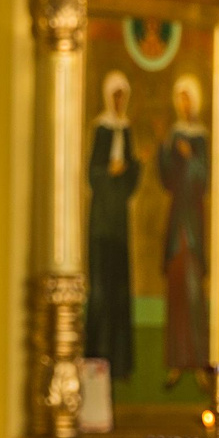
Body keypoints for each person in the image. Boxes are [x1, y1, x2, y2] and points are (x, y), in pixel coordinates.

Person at [84, 71, 140, 382]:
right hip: (102, 220)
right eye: (115, 96)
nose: (119, 102)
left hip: (119, 219)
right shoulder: (102, 128)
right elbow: (92, 174)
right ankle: (96, 357)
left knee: (120, 290)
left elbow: (131, 179)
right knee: (101, 290)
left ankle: (120, 364)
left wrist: (132, 169)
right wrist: (109, 171)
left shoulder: (126, 130)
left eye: (123, 96)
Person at [159, 74, 212, 389]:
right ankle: (177, 363)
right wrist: (165, 150)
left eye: (188, 97)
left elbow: (203, 177)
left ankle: (199, 362)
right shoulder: (175, 134)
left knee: (194, 293)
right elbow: (167, 180)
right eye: (180, 98)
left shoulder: (200, 137)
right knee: (177, 293)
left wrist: (189, 156)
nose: (184, 103)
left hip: (194, 218)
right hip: (177, 217)